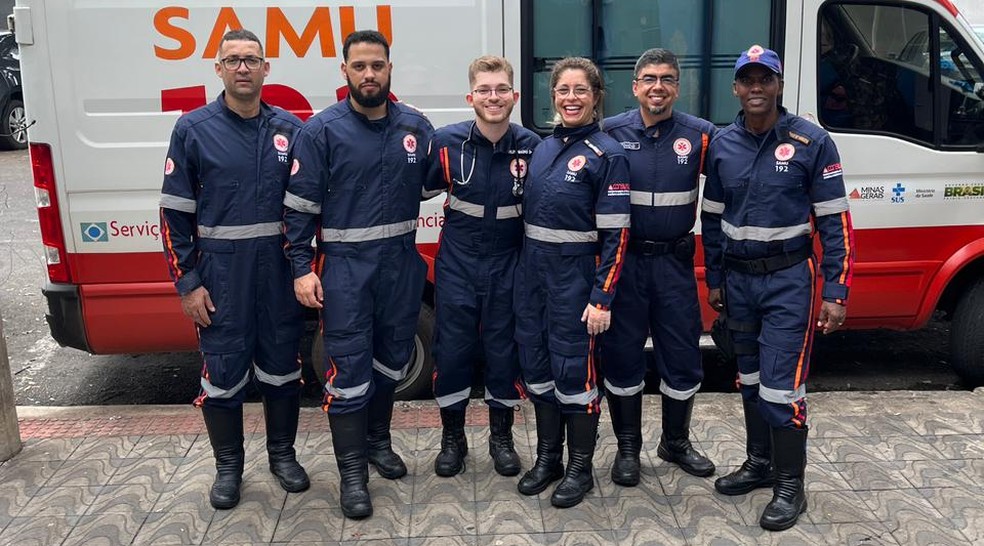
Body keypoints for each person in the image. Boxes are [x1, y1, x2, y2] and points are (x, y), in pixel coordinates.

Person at [700, 45, 855, 531]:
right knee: (748, 379)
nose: (756, 89)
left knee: (781, 387)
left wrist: (837, 290)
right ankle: (759, 463)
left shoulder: (812, 141)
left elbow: (835, 223)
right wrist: (717, 280)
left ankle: (791, 485)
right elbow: (711, 221)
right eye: (747, 81)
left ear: (779, 85)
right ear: (736, 88)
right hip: (739, 282)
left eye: (764, 79)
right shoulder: (722, 144)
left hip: (789, 280)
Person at [283, 29, 433, 520]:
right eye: (360, 66)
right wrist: (303, 270)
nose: (369, 74)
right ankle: (352, 474)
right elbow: (300, 209)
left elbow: (440, 181)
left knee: (392, 362)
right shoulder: (321, 131)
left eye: (378, 65)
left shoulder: (416, 126)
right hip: (346, 272)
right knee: (348, 373)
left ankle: (377, 442)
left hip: (402, 266)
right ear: (344, 72)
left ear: (391, 69)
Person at [159, 29, 309, 510]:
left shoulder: (290, 128)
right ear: (218, 69)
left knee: (283, 370)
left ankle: (282, 457)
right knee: (221, 374)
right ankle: (229, 468)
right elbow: (173, 214)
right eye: (233, 60)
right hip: (222, 277)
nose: (243, 67)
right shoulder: (193, 129)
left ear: (267, 69)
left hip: (279, 274)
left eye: (251, 59)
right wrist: (187, 283)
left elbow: (307, 209)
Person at [514, 57, 631, 508]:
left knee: (574, 376)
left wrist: (602, 296)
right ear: (553, 97)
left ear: (597, 97)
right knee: (538, 370)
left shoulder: (608, 155)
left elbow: (617, 235)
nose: (570, 98)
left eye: (580, 90)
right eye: (563, 90)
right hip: (533, 280)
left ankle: (580, 467)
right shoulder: (543, 148)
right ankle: (548, 458)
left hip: (576, 281)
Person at [600, 48, 716, 487]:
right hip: (625, 267)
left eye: (667, 79)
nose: (658, 87)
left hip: (674, 265)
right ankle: (628, 448)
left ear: (677, 88)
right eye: (649, 78)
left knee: (683, 356)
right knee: (623, 357)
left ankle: (676, 442)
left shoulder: (700, 135)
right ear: (635, 86)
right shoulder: (609, 133)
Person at [424, 56, 541, 478]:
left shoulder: (533, 146)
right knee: (452, 353)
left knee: (503, 353)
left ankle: (501, 439)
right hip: (458, 266)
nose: (494, 97)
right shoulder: (446, 143)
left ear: (514, 95)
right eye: (485, 90)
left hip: (510, 265)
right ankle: (452, 439)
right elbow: (407, 188)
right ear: (471, 96)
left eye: (501, 89)